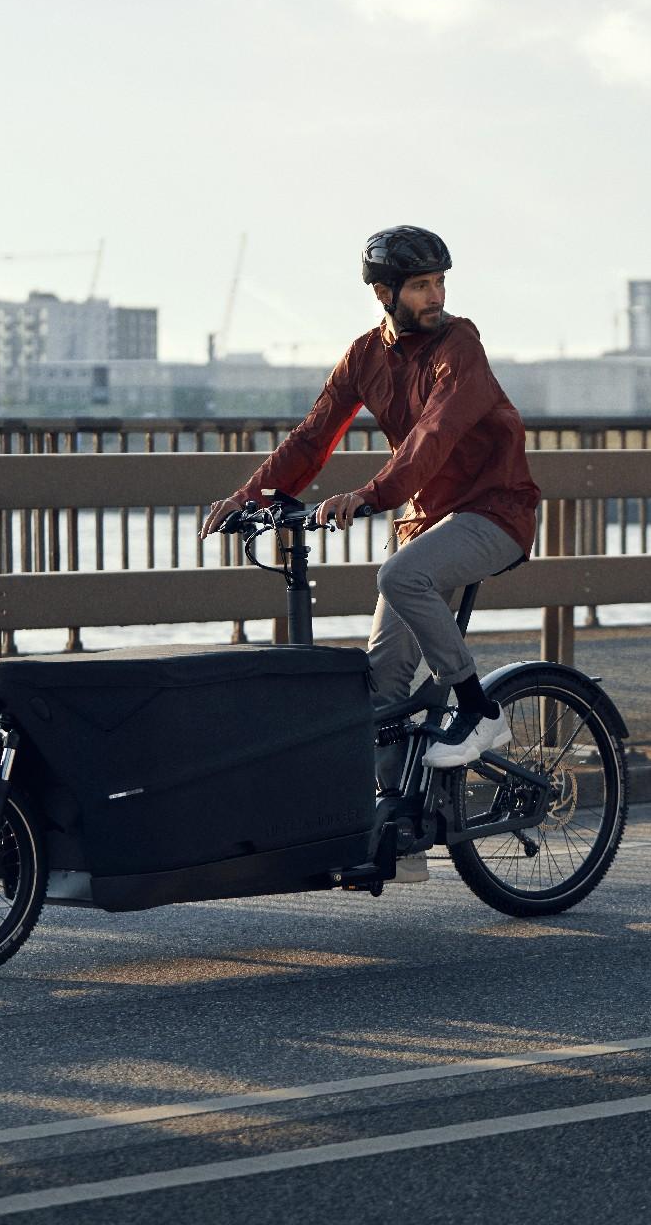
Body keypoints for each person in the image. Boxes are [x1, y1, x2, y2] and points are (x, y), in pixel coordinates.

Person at [201, 226, 541, 842]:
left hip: (495, 510)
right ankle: (395, 829)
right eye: (420, 285)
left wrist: (371, 494)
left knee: (401, 574)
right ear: (384, 292)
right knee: (381, 686)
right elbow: (313, 437)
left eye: (440, 282)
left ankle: (479, 710)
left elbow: (435, 431)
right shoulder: (365, 356)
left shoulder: (460, 344)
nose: (435, 295)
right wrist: (250, 497)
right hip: (424, 520)